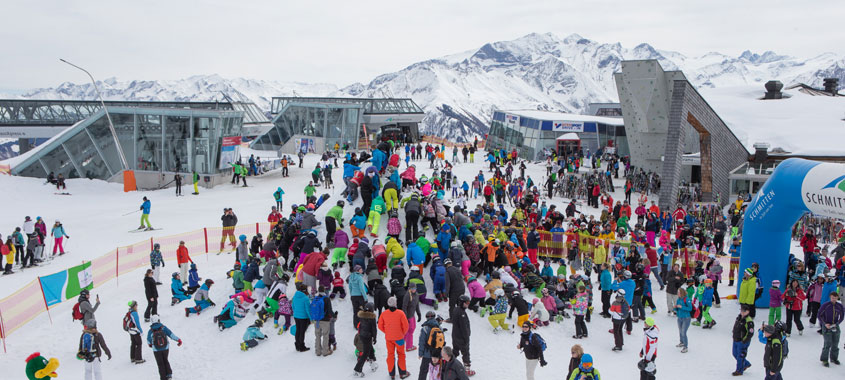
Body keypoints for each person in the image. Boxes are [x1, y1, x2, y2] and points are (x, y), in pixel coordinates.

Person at [378, 296, 410, 379]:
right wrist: (402, 333)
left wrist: (387, 332)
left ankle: (391, 374)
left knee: (390, 355)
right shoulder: (400, 313)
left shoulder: (384, 313)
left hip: (389, 339)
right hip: (399, 338)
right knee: (401, 354)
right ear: (395, 303)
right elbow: (406, 326)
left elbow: (380, 326)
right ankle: (402, 373)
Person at [147, 315, 181, 380]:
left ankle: (163, 377)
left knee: (160, 363)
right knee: (165, 360)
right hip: (165, 348)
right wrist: (178, 340)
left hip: (156, 350)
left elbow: (149, 340)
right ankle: (169, 375)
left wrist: (150, 345)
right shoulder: (163, 327)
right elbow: (171, 334)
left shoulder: (151, 330)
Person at [450, 295, 474, 376]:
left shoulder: (456, 309)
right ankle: (467, 369)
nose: (467, 305)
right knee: (465, 353)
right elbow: (464, 327)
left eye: (468, 303)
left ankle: (449, 364)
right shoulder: (461, 313)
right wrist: (466, 338)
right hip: (461, 337)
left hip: (455, 336)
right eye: (466, 303)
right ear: (461, 303)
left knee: (455, 351)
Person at [353, 302, 379, 377]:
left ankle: (373, 364)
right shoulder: (372, 318)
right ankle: (357, 370)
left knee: (370, 349)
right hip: (368, 337)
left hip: (362, 335)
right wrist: (375, 338)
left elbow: (361, 326)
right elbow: (374, 329)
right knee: (365, 354)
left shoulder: (361, 316)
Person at [818, 291, 843, 366]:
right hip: (826, 325)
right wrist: (824, 323)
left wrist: (837, 323)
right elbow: (819, 315)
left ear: (837, 298)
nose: (834, 299)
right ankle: (824, 359)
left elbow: (842, 316)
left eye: (835, 298)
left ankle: (834, 358)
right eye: (832, 298)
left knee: (835, 343)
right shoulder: (826, 305)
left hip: (835, 325)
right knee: (827, 343)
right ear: (830, 297)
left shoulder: (839, 306)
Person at [417, 310, 443, 380]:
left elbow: (421, 342)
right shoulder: (439, 328)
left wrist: (420, 354)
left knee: (423, 371)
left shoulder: (425, 328)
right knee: (438, 371)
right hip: (437, 354)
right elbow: (442, 341)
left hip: (427, 354)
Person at [731, 304, 754, 376]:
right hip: (735, 339)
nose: (742, 312)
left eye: (744, 311)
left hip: (742, 341)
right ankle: (746, 364)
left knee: (740, 356)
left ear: (748, 311)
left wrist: (744, 340)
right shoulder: (739, 317)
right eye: (741, 310)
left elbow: (750, 333)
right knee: (735, 353)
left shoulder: (749, 321)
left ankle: (739, 370)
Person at [292, 283, 312, 352]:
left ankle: (297, 345)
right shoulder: (305, 298)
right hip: (303, 317)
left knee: (298, 330)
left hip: (296, 316)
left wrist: (296, 313)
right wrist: (311, 318)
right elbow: (308, 310)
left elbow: (293, 307)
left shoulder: (295, 296)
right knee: (302, 332)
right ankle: (302, 347)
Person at [675, 288, 692, 353]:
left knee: (683, 332)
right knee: (680, 331)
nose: (677, 294)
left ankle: (685, 346)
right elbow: (677, 308)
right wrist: (675, 308)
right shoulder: (678, 299)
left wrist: (681, 307)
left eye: (678, 292)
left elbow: (690, 308)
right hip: (679, 317)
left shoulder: (686, 299)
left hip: (686, 318)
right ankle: (681, 342)